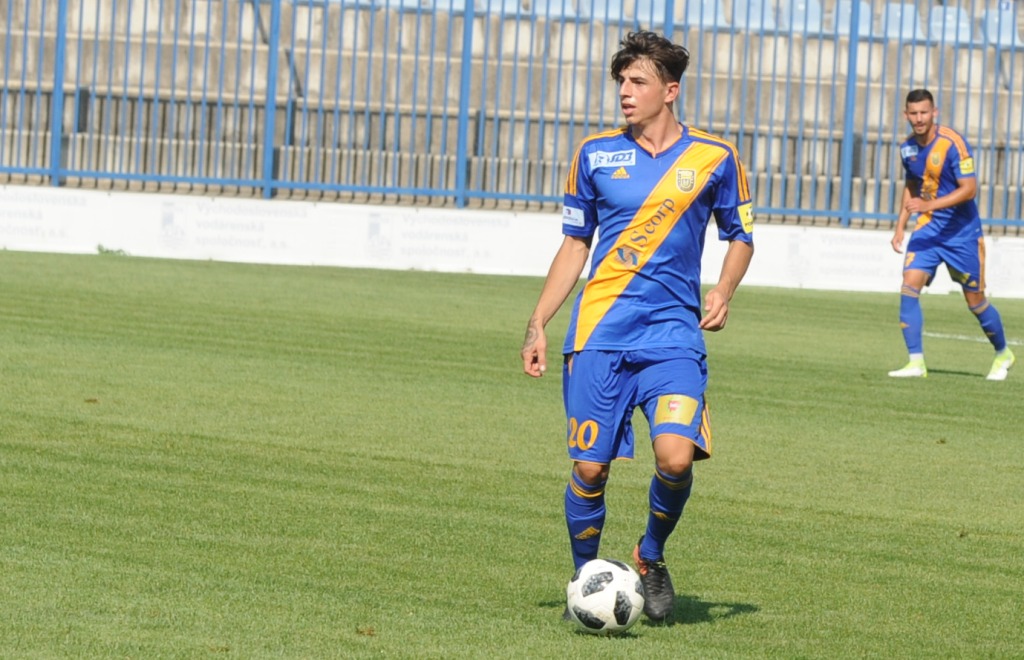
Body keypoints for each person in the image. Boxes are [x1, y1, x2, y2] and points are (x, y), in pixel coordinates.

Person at [519, 31, 754, 622]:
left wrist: (723, 290)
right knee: (589, 468)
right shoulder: (594, 154)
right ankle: (586, 578)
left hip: (673, 336)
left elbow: (741, 236)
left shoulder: (715, 158)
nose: (625, 92)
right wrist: (538, 321)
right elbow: (575, 244)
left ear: (670, 91)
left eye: (638, 81)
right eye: (621, 81)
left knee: (675, 458)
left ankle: (649, 554)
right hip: (599, 333)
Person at [888, 89, 1014, 380]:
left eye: (924, 112)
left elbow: (969, 189)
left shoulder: (953, 143)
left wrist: (928, 205)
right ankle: (916, 362)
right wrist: (900, 225)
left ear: (935, 112)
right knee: (909, 287)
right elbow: (912, 185)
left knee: (976, 302)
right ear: (906, 115)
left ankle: (1002, 353)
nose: (919, 119)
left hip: (962, 234)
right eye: (913, 113)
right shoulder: (907, 148)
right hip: (928, 230)